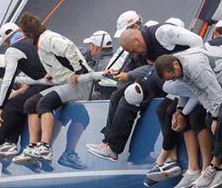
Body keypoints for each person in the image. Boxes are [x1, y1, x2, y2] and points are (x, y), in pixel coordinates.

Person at [86, 21, 203, 163]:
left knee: (161, 109)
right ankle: (111, 146)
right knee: (122, 95)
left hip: (181, 76)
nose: (135, 54)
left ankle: (170, 157)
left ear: (137, 39)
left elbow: (197, 41)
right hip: (160, 76)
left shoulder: (163, 33)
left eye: (133, 51)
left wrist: (184, 67)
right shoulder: (142, 48)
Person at [154, 44, 222, 188]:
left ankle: (217, 167)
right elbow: (199, 93)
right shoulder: (180, 71)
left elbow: (216, 95)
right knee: (208, 119)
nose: (175, 79)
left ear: (175, 64)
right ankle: (221, 166)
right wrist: (210, 115)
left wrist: (215, 117)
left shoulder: (195, 67)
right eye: (171, 79)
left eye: (173, 76)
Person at [12, 12, 92, 164]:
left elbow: (68, 48)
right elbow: (58, 60)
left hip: (79, 84)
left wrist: (78, 71)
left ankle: (45, 147)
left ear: (28, 34)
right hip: (65, 82)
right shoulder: (43, 40)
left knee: (44, 103)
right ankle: (33, 146)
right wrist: (51, 73)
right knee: (30, 103)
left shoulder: (47, 39)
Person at [0, 21, 49, 158]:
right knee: (19, 103)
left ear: (6, 40)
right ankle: (11, 143)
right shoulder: (31, 41)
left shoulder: (13, 50)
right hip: (49, 81)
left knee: (12, 105)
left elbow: (8, 80)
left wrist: (0, 106)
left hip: (46, 84)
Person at [82, 30, 115, 100]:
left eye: (91, 45)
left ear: (96, 48)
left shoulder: (100, 66)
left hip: (100, 102)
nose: (90, 48)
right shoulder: (114, 58)